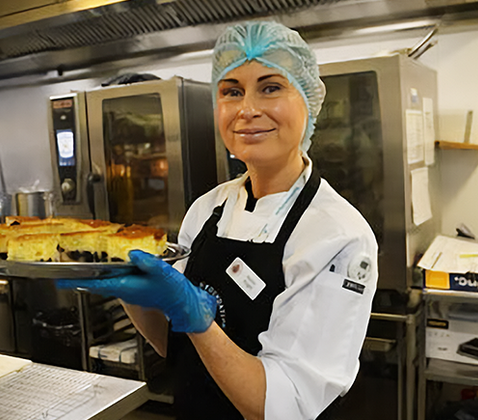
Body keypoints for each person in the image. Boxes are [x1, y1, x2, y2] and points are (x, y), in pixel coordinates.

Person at [59, 21, 378, 420]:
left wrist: (198, 320)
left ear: (309, 101)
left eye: (271, 87)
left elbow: (287, 407)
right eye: (231, 91)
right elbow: (172, 346)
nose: (247, 109)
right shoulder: (208, 208)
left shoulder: (337, 235)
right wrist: (129, 288)